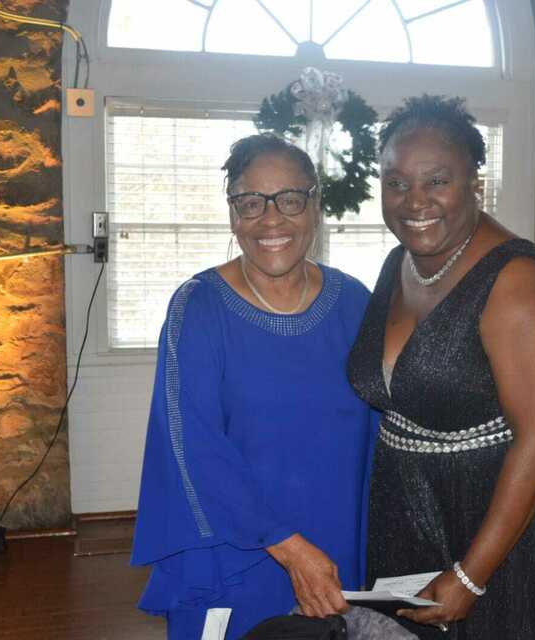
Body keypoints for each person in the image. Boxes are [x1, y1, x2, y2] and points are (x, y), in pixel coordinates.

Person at [347, 95, 535, 638]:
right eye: (396, 182)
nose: (414, 201)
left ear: (475, 183)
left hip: (494, 524)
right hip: (403, 508)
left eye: (437, 180)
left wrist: (471, 575)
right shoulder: (399, 263)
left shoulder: (517, 281)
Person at [131, 134, 377, 640]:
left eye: (290, 199)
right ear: (233, 214)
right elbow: (191, 446)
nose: (271, 219)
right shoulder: (199, 308)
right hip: (233, 549)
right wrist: (288, 547)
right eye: (251, 202)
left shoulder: (354, 302)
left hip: (335, 543)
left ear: (315, 206)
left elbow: (383, 429)